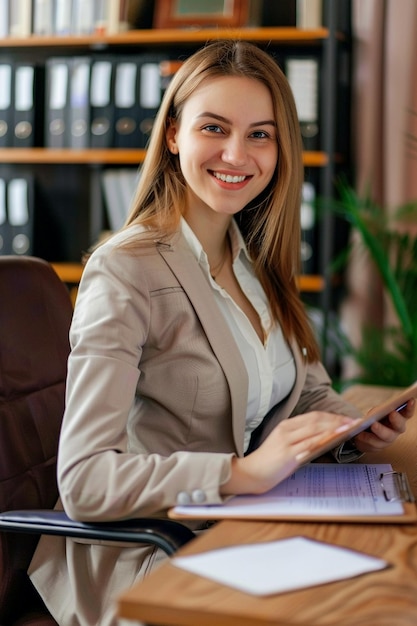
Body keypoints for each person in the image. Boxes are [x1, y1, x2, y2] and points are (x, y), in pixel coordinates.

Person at [29, 39, 414, 626]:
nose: (237, 153)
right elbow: (85, 479)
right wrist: (242, 473)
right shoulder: (125, 270)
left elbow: (304, 393)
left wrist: (352, 434)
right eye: (215, 127)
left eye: (260, 134)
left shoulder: (255, 260)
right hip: (152, 549)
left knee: (385, 588)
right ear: (175, 134)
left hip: (242, 522)